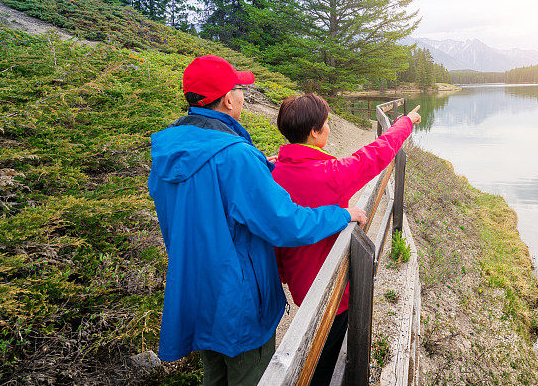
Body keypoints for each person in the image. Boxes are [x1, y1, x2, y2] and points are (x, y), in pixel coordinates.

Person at [148, 56, 367, 386]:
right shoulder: (235, 156)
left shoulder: (169, 150)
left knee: (215, 375)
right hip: (238, 300)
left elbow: (201, 200)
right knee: (252, 374)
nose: (243, 95)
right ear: (228, 99)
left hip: (195, 289)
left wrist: (259, 167)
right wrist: (342, 214)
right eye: (239, 88)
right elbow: (288, 224)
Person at [271, 94, 421, 384]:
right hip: (332, 287)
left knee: (319, 341)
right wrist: (406, 122)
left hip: (298, 280)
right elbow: (379, 151)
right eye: (326, 123)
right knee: (325, 357)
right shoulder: (331, 173)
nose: (329, 128)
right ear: (314, 132)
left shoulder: (273, 172)